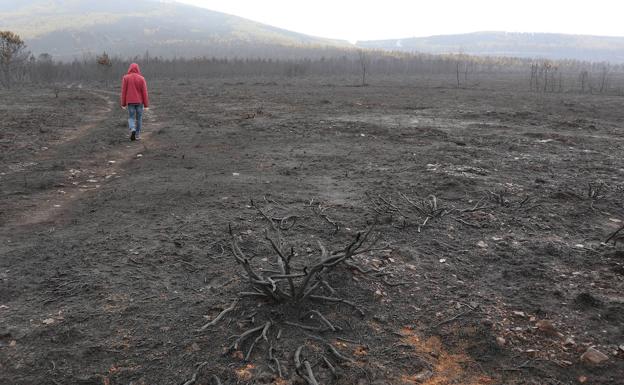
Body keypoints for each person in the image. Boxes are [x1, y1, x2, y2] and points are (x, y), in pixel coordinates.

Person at [120, 63, 149, 141]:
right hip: (140, 102)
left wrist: (123, 103)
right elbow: (144, 92)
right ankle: (137, 135)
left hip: (130, 102)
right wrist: (146, 105)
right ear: (138, 69)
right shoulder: (142, 78)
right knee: (139, 118)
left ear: (129, 68)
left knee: (131, 117)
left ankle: (132, 128)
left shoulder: (126, 78)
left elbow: (124, 91)